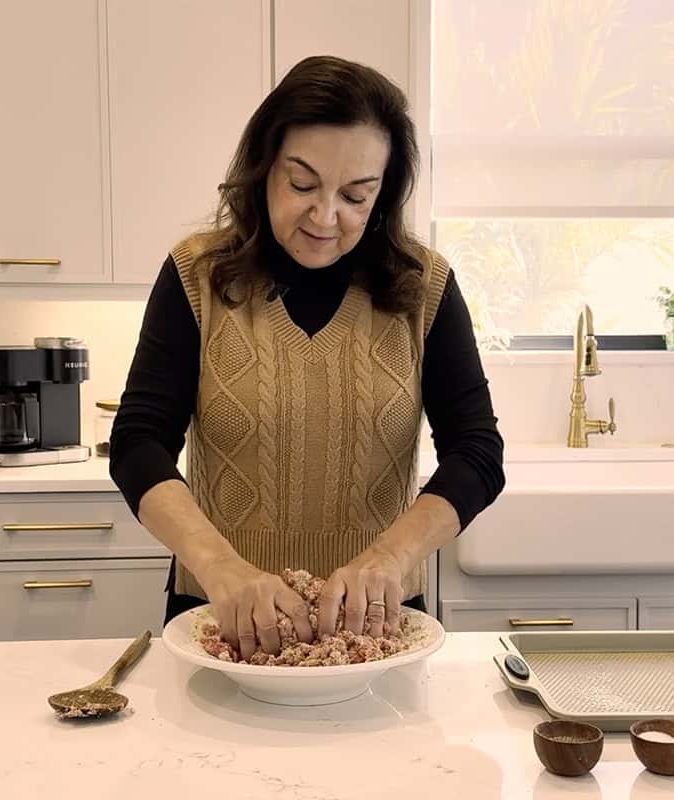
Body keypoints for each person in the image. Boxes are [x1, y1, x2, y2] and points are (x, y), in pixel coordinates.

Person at [110, 55, 504, 661]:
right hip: (220, 620)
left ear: (383, 193)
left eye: (355, 195)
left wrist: (390, 558)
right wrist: (221, 568)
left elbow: (478, 451)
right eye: (301, 184)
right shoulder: (197, 275)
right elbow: (138, 442)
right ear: (264, 169)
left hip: (377, 628)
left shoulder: (423, 286)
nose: (326, 216)